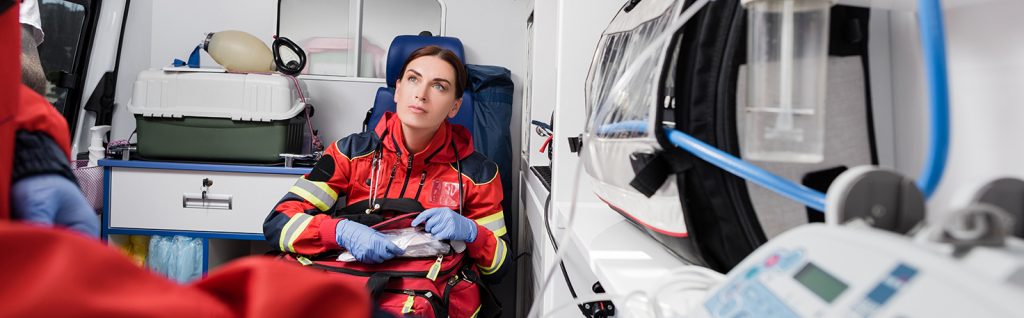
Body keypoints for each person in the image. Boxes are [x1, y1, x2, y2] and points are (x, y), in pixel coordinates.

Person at [264, 45, 510, 317]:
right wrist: (339, 231)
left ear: (454, 106)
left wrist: (473, 234)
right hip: (346, 287)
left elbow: (500, 267)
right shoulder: (350, 153)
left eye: (439, 86)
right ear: (397, 89)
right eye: (413, 79)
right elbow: (279, 223)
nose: (421, 94)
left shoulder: (478, 174)